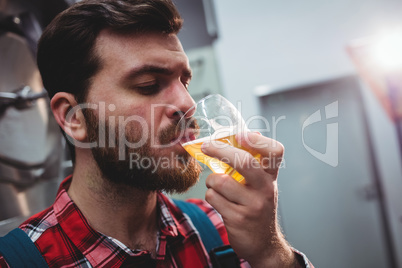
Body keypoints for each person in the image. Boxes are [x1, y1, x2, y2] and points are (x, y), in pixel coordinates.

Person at [0, 0, 314, 267]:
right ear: (74, 118)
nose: (188, 104)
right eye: (148, 85)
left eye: (185, 82)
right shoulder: (16, 261)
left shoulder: (218, 229)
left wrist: (272, 254)